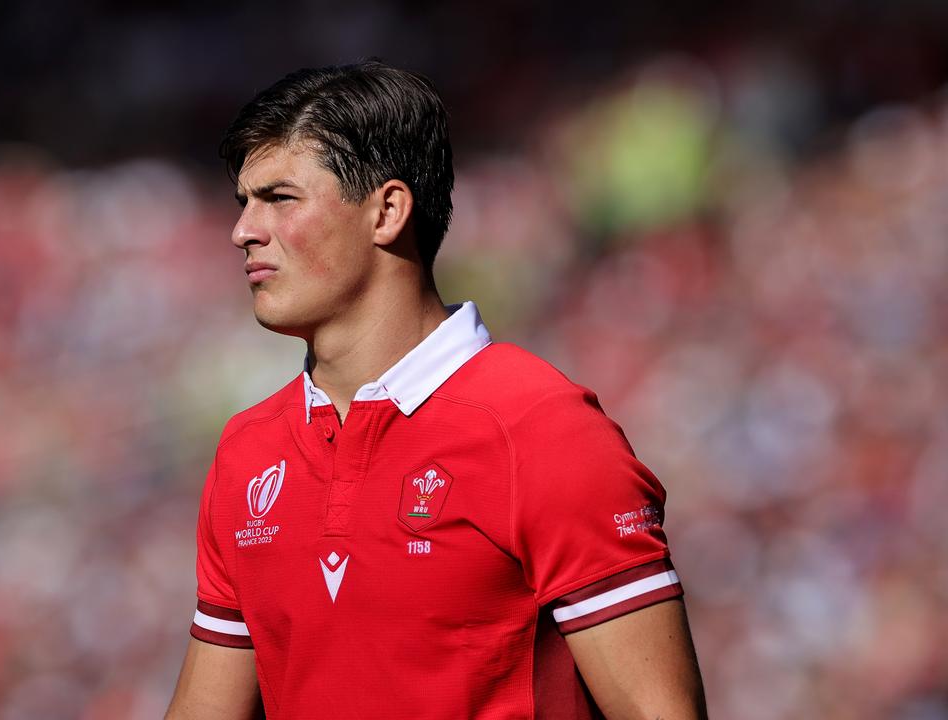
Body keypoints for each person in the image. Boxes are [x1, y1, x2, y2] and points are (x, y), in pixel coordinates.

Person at [166, 60, 706, 719]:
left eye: (279, 199)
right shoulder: (247, 450)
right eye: (244, 202)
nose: (243, 230)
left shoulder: (540, 428)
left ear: (388, 211)